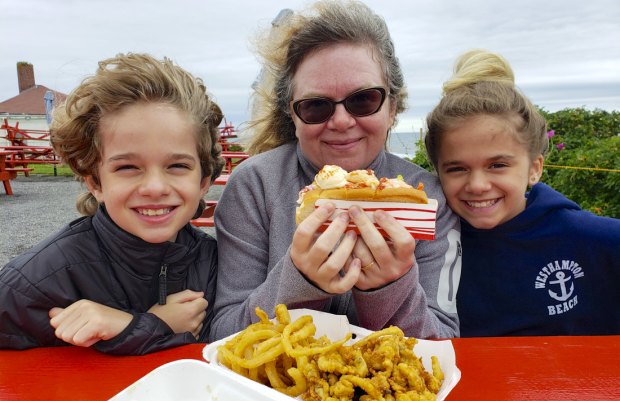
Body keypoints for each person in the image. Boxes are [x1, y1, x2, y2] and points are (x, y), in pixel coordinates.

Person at [210, 0, 461, 341]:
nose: (342, 121)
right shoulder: (254, 186)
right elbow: (222, 335)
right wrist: (300, 281)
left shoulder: (427, 198)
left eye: (363, 100)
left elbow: (443, 343)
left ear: (392, 107)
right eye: (316, 105)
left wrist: (390, 287)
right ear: (293, 115)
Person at [0, 53, 224, 354]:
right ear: (95, 182)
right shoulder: (34, 282)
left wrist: (135, 327)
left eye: (177, 166)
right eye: (127, 168)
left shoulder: (215, 263)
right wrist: (151, 326)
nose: (155, 187)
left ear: (203, 182)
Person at [424, 49, 620, 336]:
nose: (477, 185)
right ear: (437, 171)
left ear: (534, 168)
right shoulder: (428, 250)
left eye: (498, 165)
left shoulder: (596, 241)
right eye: (457, 169)